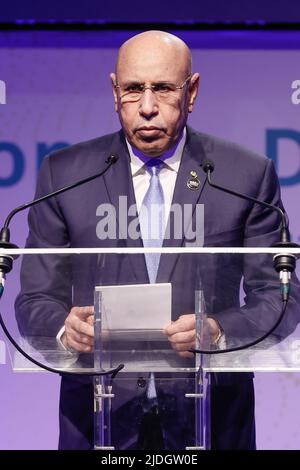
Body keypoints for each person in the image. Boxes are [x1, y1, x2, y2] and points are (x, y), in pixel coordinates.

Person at [15, 30, 300, 450]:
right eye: (133, 89)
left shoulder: (246, 175)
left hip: (213, 418)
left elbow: (280, 297)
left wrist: (219, 331)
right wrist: (64, 330)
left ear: (192, 91)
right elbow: (33, 300)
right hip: (99, 417)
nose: (147, 107)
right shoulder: (65, 175)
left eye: (163, 89)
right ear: (115, 91)